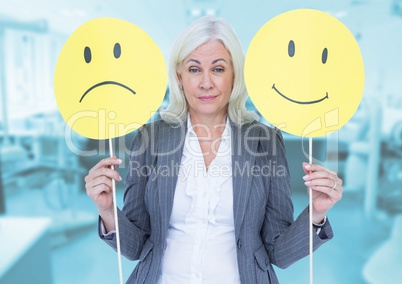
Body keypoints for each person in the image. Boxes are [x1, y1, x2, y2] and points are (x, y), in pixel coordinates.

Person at [85, 16, 343, 284]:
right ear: (179, 76)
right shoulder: (150, 138)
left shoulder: (264, 141)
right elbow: (136, 246)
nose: (206, 83)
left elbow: (278, 251)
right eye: (194, 69)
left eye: (218, 69)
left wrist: (316, 213)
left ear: (234, 75)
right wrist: (107, 211)